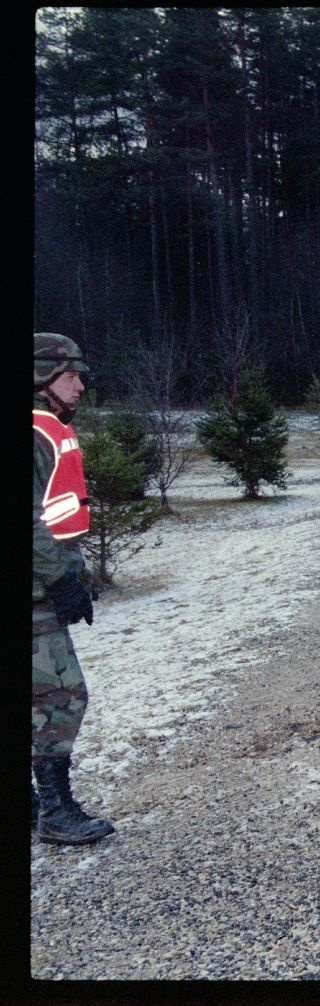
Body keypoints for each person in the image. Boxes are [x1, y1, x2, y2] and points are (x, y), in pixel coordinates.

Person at [32, 332, 115, 845]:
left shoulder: (47, 427)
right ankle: (55, 812)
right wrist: (63, 580)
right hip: (37, 587)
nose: (81, 385)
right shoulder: (37, 431)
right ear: (42, 377)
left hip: (43, 582)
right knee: (63, 697)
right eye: (70, 375)